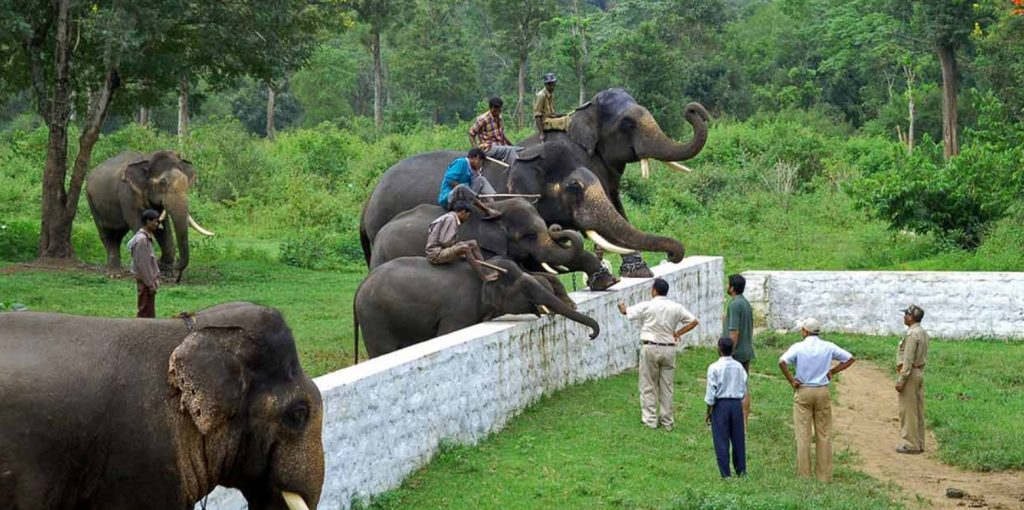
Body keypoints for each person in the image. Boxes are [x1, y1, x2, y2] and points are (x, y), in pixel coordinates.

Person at [778, 318, 856, 482]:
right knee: (824, 433)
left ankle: (804, 474)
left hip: (804, 390)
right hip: (822, 391)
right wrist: (833, 371)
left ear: (805, 331)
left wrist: (792, 380)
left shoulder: (799, 347)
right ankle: (824, 476)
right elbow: (849, 358)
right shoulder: (827, 346)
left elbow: (782, 361)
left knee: (803, 434)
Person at [617, 278, 699, 431]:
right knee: (666, 386)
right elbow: (694, 321)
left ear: (654, 290)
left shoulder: (647, 305)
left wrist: (620, 303)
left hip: (650, 347)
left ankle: (650, 420)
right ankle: (667, 421)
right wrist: (677, 333)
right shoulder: (676, 307)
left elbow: (625, 311)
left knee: (648, 384)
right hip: (669, 348)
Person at [705, 336, 748, 478]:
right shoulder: (739, 367)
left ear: (719, 348)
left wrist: (708, 412)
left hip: (721, 405)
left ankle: (725, 474)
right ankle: (741, 471)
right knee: (738, 439)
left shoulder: (714, 367)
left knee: (721, 440)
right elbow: (744, 387)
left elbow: (711, 392)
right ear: (733, 349)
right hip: (736, 404)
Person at [425, 201, 498, 282]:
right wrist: (458, 248)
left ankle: (486, 269)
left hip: (441, 249)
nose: (467, 218)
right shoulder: (451, 219)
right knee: (465, 248)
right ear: (463, 212)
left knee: (473, 243)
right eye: (467, 215)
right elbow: (445, 241)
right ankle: (483, 277)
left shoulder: (449, 216)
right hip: (436, 253)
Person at [896, 304, 929, 454]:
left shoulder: (912, 335)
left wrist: (901, 380)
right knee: (918, 409)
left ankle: (910, 443)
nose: (904, 317)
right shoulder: (922, 332)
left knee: (908, 410)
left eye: (906, 315)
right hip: (919, 372)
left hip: (910, 374)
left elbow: (908, 359)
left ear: (911, 317)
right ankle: (919, 442)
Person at [723, 274, 754, 430]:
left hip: (736, 353)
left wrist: (728, 353)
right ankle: (743, 422)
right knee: (743, 386)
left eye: (728, 284)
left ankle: (737, 423)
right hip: (746, 351)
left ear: (732, 288)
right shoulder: (746, 304)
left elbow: (734, 332)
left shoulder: (734, 305)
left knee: (733, 388)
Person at [437, 148, 502, 219]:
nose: (481, 166)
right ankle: (487, 210)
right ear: (476, 158)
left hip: (464, 197)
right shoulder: (461, 162)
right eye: (481, 162)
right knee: (462, 187)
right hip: (449, 199)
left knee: (481, 180)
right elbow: (449, 180)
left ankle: (493, 202)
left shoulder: (471, 170)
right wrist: (469, 192)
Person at [469, 97, 522, 167]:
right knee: (509, 150)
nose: (497, 113)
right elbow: (471, 133)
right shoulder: (483, 119)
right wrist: (476, 151)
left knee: (521, 150)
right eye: (495, 111)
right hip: (489, 147)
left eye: (499, 110)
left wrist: (512, 145)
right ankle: (518, 170)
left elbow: (502, 135)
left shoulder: (499, 117)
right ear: (490, 108)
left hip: (500, 145)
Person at [127, 209, 161, 318]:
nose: (156, 224)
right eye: (154, 221)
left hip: (148, 280)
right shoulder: (142, 240)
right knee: (144, 312)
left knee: (149, 311)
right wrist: (150, 284)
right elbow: (143, 266)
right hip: (145, 282)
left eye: (157, 222)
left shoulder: (147, 238)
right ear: (147, 222)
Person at [533, 73, 571, 142]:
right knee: (566, 121)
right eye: (550, 85)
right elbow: (537, 116)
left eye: (553, 84)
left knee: (568, 117)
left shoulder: (551, 95)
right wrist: (541, 134)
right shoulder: (541, 96)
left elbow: (552, 114)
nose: (552, 87)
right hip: (545, 122)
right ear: (546, 85)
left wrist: (563, 114)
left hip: (551, 119)